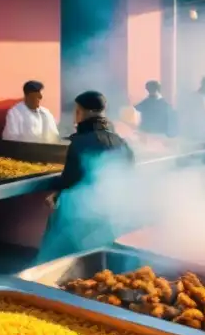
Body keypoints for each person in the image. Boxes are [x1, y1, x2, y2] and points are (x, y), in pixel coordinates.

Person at [39, 91, 135, 261]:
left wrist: (56, 194)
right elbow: (129, 173)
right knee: (101, 257)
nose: (75, 116)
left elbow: (70, 178)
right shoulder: (120, 141)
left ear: (86, 112)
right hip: (114, 211)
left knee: (64, 257)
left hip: (81, 213)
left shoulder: (80, 142)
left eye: (77, 111)